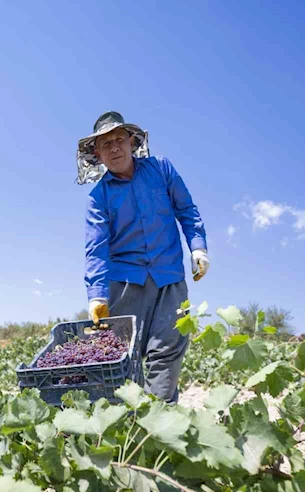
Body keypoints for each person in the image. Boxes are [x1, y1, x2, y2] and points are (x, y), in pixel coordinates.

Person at [77, 111, 209, 404]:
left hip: (169, 280)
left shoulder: (161, 169)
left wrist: (198, 247)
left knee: (167, 353)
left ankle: (157, 424)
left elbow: (186, 209)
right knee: (124, 358)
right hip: (125, 285)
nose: (114, 148)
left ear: (132, 142)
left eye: (119, 140)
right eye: (105, 144)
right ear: (96, 154)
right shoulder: (98, 197)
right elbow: (95, 247)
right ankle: (127, 425)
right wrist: (97, 295)